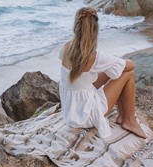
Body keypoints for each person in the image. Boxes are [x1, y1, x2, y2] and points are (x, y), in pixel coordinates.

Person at [59, 7, 146, 139]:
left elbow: (81, 74)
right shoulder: (94, 56)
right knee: (128, 73)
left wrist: (112, 65)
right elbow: (130, 65)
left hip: (71, 111)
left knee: (113, 71)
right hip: (85, 116)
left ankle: (122, 116)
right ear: (95, 31)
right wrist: (119, 61)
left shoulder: (65, 47)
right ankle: (129, 120)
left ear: (76, 27)